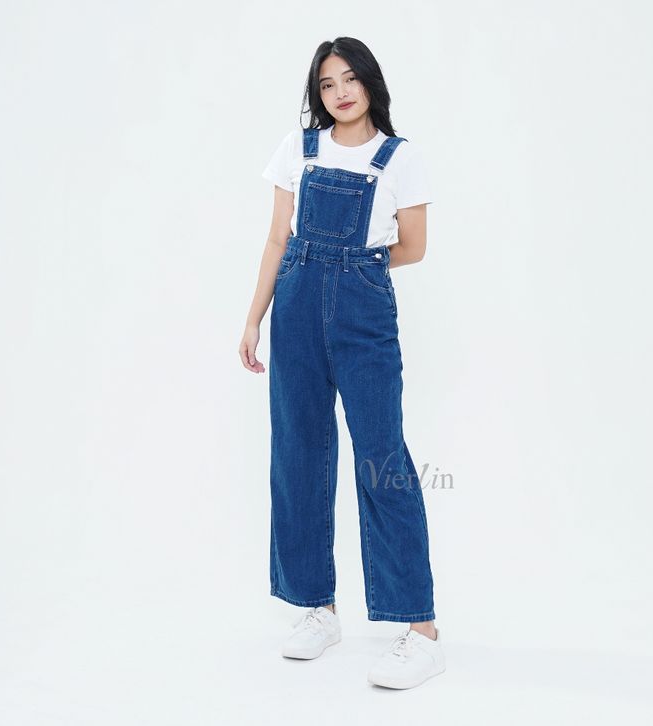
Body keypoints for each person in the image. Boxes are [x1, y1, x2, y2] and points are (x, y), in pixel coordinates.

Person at [239, 36, 445, 690]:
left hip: (363, 311)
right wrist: (254, 318)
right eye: (327, 84)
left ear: (369, 82)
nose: (340, 92)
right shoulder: (298, 149)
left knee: (381, 457)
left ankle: (421, 630)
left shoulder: (400, 157)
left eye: (350, 79)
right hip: (295, 305)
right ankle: (316, 608)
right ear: (317, 93)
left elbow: (412, 246)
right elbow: (278, 238)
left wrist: (358, 267)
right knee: (298, 452)